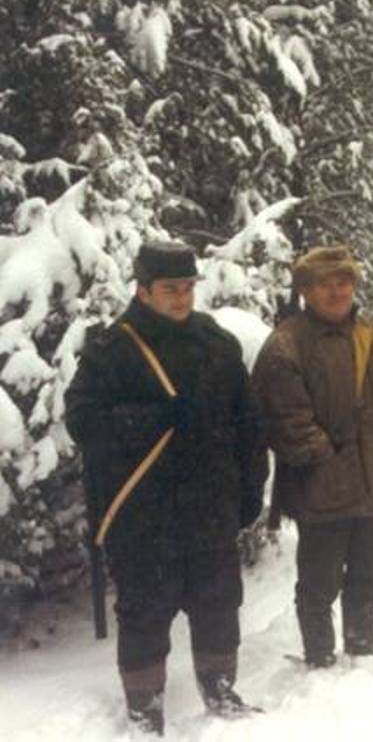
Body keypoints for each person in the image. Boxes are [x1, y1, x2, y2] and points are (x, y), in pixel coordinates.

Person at [65, 240, 268, 736]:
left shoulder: (217, 344)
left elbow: (248, 422)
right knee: (144, 611)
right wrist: (147, 420)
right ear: (143, 290)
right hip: (142, 512)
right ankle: (145, 706)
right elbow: (82, 420)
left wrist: (250, 487)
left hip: (210, 504)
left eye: (188, 287)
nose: (181, 298)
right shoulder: (111, 351)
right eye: (170, 289)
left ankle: (219, 687)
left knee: (219, 601)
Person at [252, 246, 373, 668]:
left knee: (369, 569)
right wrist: (323, 456)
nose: (336, 291)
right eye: (324, 284)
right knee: (319, 577)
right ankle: (319, 654)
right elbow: (285, 415)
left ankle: (363, 641)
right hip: (318, 486)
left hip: (371, 479)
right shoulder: (286, 344)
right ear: (306, 291)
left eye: (343, 282)